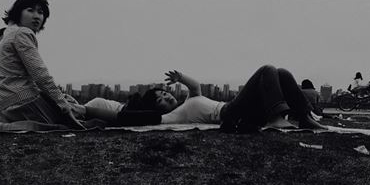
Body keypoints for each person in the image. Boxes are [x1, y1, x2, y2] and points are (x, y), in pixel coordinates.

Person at [130, 65, 324, 132]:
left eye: (165, 93)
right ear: (157, 108)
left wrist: (180, 77)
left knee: (281, 73)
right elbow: (151, 119)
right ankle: (275, 118)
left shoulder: (189, 99)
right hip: (230, 113)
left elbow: (195, 86)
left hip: (238, 109)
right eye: (161, 100)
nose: (167, 97)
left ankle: (305, 117)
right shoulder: (175, 116)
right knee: (267, 69)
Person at [0, 0, 86, 129]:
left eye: (40, 12)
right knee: (83, 116)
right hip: (24, 102)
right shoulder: (22, 33)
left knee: (74, 107)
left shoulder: (6, 36)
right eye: (30, 10)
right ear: (18, 13)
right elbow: (40, 74)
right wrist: (62, 104)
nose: (36, 16)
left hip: (5, 108)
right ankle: (117, 114)